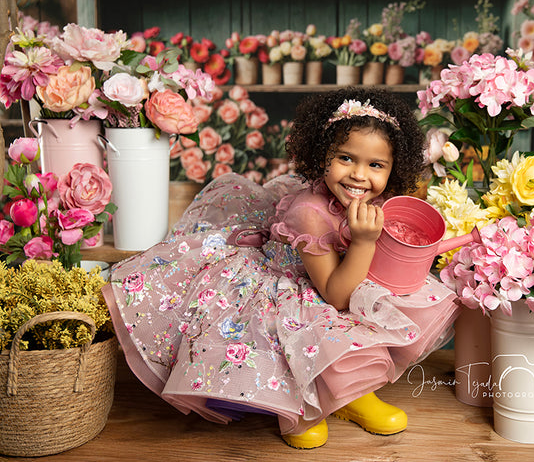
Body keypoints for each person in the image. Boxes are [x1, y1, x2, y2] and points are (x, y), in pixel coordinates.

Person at [102, 86, 460, 449]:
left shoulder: (374, 199)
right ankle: (299, 405)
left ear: (392, 168)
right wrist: (365, 241)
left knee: (373, 310)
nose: (358, 175)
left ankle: (351, 396)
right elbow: (336, 295)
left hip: (342, 277)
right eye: (346, 158)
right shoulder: (309, 213)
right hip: (293, 284)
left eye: (376, 165)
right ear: (322, 157)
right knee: (298, 325)